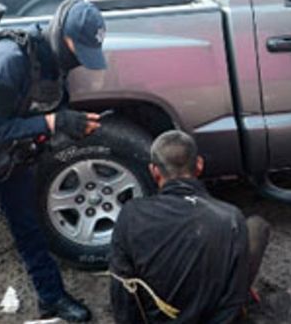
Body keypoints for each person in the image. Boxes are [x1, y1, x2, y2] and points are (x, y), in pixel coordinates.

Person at [0, 0, 108, 323]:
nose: (79, 60)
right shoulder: (10, 60)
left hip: (5, 151)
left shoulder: (51, 60)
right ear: (61, 34)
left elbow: (41, 109)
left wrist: (69, 123)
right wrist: (55, 123)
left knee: (28, 224)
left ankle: (52, 298)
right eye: (77, 49)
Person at [109, 130, 271, 323]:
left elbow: (123, 290)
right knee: (257, 227)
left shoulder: (131, 214)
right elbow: (232, 299)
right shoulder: (230, 217)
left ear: (154, 171)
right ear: (199, 165)